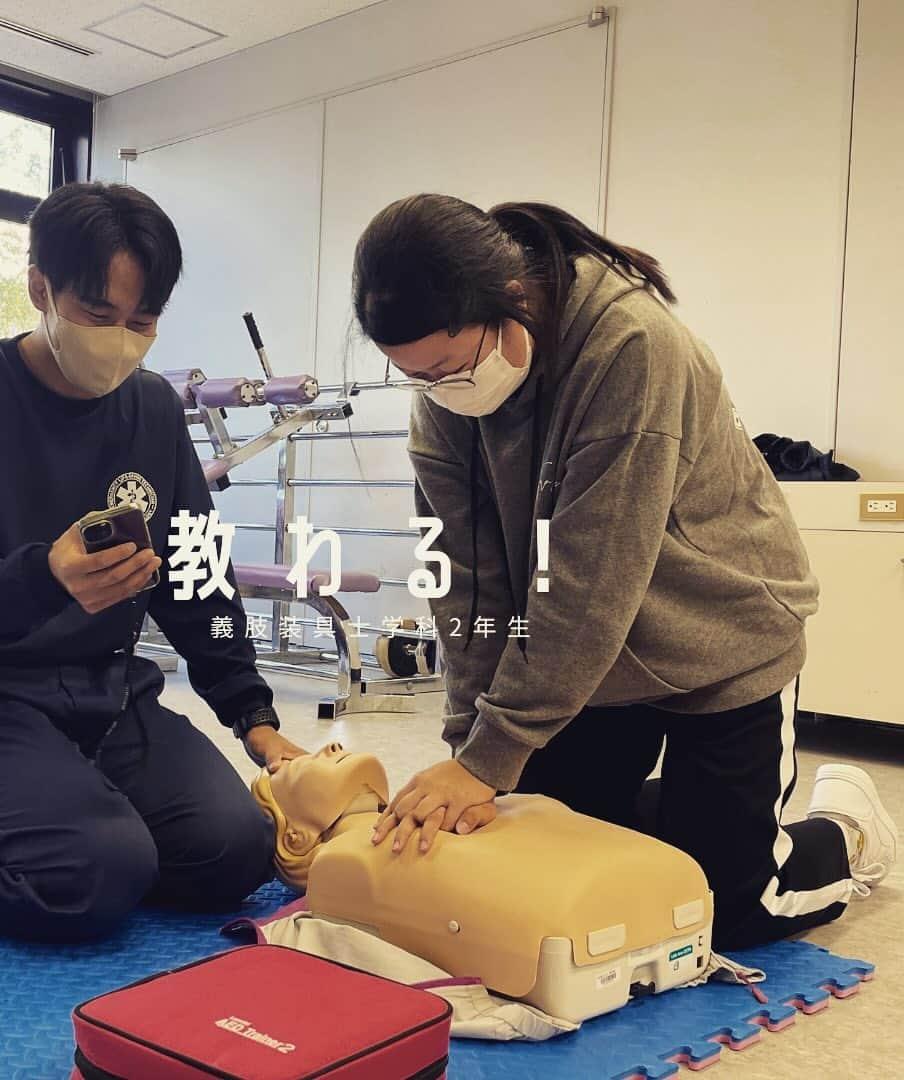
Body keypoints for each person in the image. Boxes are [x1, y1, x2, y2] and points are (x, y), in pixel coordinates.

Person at [357, 194, 898, 949]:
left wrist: (491, 758)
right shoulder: (444, 393)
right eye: (417, 377)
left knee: (730, 911)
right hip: (587, 667)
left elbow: (590, 584)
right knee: (545, 863)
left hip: (720, 638)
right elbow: (462, 574)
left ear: (509, 299)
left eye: (448, 367)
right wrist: (470, 747)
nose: (440, 392)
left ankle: (846, 826)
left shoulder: (629, 345)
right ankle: (687, 818)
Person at [0, 181, 304, 942]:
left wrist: (256, 721)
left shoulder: (153, 410)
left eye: (143, 321)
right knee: (91, 875)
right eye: (100, 316)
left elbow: (197, 573)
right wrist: (45, 577)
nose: (122, 339)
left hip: (103, 697)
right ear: (40, 285)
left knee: (235, 854)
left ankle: (64, 805)